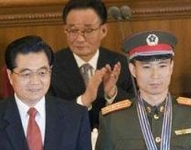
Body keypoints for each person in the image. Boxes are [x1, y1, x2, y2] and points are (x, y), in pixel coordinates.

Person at [50, 0, 134, 129]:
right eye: (72, 30)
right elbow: (49, 114)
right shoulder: (50, 66)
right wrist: (84, 100)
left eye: (88, 31)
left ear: (104, 30)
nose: (79, 39)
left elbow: (135, 109)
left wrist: (112, 93)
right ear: (65, 30)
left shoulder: (120, 63)